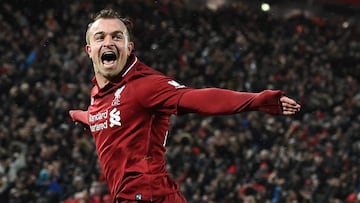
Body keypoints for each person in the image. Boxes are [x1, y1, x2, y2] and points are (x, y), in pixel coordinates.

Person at [69, 8, 301, 203]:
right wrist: (81, 116)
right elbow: (104, 115)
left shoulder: (145, 86)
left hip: (147, 196)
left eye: (117, 36)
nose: (109, 42)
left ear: (129, 48)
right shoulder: (99, 94)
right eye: (100, 37)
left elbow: (199, 99)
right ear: (89, 50)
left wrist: (258, 100)